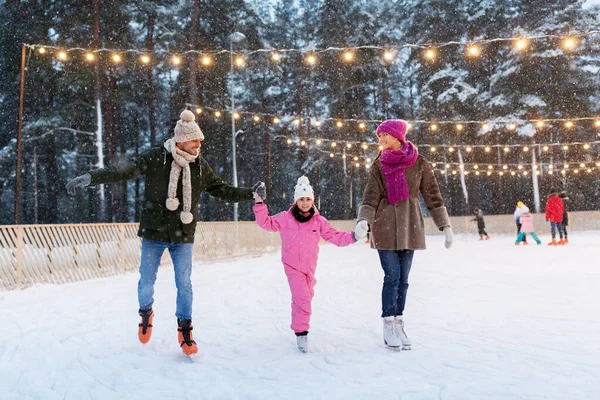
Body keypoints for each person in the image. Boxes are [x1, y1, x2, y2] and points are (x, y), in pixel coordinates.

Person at [66, 110, 262, 356]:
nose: (199, 145)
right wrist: (90, 177)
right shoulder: (155, 158)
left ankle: (185, 328)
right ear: (181, 139)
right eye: (194, 140)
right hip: (154, 233)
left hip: (183, 234)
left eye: (199, 140)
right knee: (146, 283)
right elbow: (122, 171)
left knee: (184, 284)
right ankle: (146, 312)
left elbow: (222, 189)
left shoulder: (199, 166)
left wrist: (250, 193)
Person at [355, 119, 453, 350]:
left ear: (398, 136)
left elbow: (432, 195)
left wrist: (445, 225)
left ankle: (399, 322)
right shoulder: (379, 165)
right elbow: (370, 197)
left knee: (404, 280)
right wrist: (363, 220)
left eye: (384, 135)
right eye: (378, 136)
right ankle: (388, 324)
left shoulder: (419, 163)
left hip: (410, 226)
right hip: (384, 226)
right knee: (392, 277)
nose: (380, 140)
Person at [252, 176, 362, 353]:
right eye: (301, 199)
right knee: (302, 297)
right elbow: (266, 223)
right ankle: (301, 332)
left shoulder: (319, 221)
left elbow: (335, 237)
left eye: (308, 199)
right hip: (291, 266)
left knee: (304, 297)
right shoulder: (285, 218)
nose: (304, 203)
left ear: (313, 200)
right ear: (295, 200)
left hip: (309, 268)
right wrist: (259, 203)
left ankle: (298, 325)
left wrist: (354, 236)